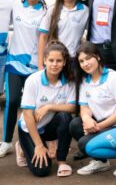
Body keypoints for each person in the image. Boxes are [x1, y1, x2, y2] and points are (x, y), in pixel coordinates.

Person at [0, 0, 46, 159]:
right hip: (14, 63)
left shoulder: (46, 12)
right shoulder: (15, 7)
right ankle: (7, 141)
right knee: (13, 101)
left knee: (33, 105)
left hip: (35, 66)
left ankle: (35, 140)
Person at [70, 42, 116, 176]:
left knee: (88, 146)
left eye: (88, 58)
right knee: (76, 125)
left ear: (97, 57)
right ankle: (101, 162)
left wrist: (99, 126)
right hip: (106, 126)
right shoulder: (84, 81)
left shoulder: (114, 78)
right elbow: (84, 107)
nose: (85, 64)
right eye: (81, 61)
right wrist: (86, 119)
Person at [17, 42, 77, 177]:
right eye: (51, 60)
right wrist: (38, 145)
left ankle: (62, 161)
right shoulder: (33, 80)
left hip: (49, 127)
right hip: (29, 128)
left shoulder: (69, 81)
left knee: (65, 117)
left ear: (64, 62)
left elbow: (73, 107)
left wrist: (49, 106)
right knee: (41, 171)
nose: (54, 64)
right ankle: (22, 146)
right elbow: (27, 114)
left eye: (59, 60)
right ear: (44, 60)